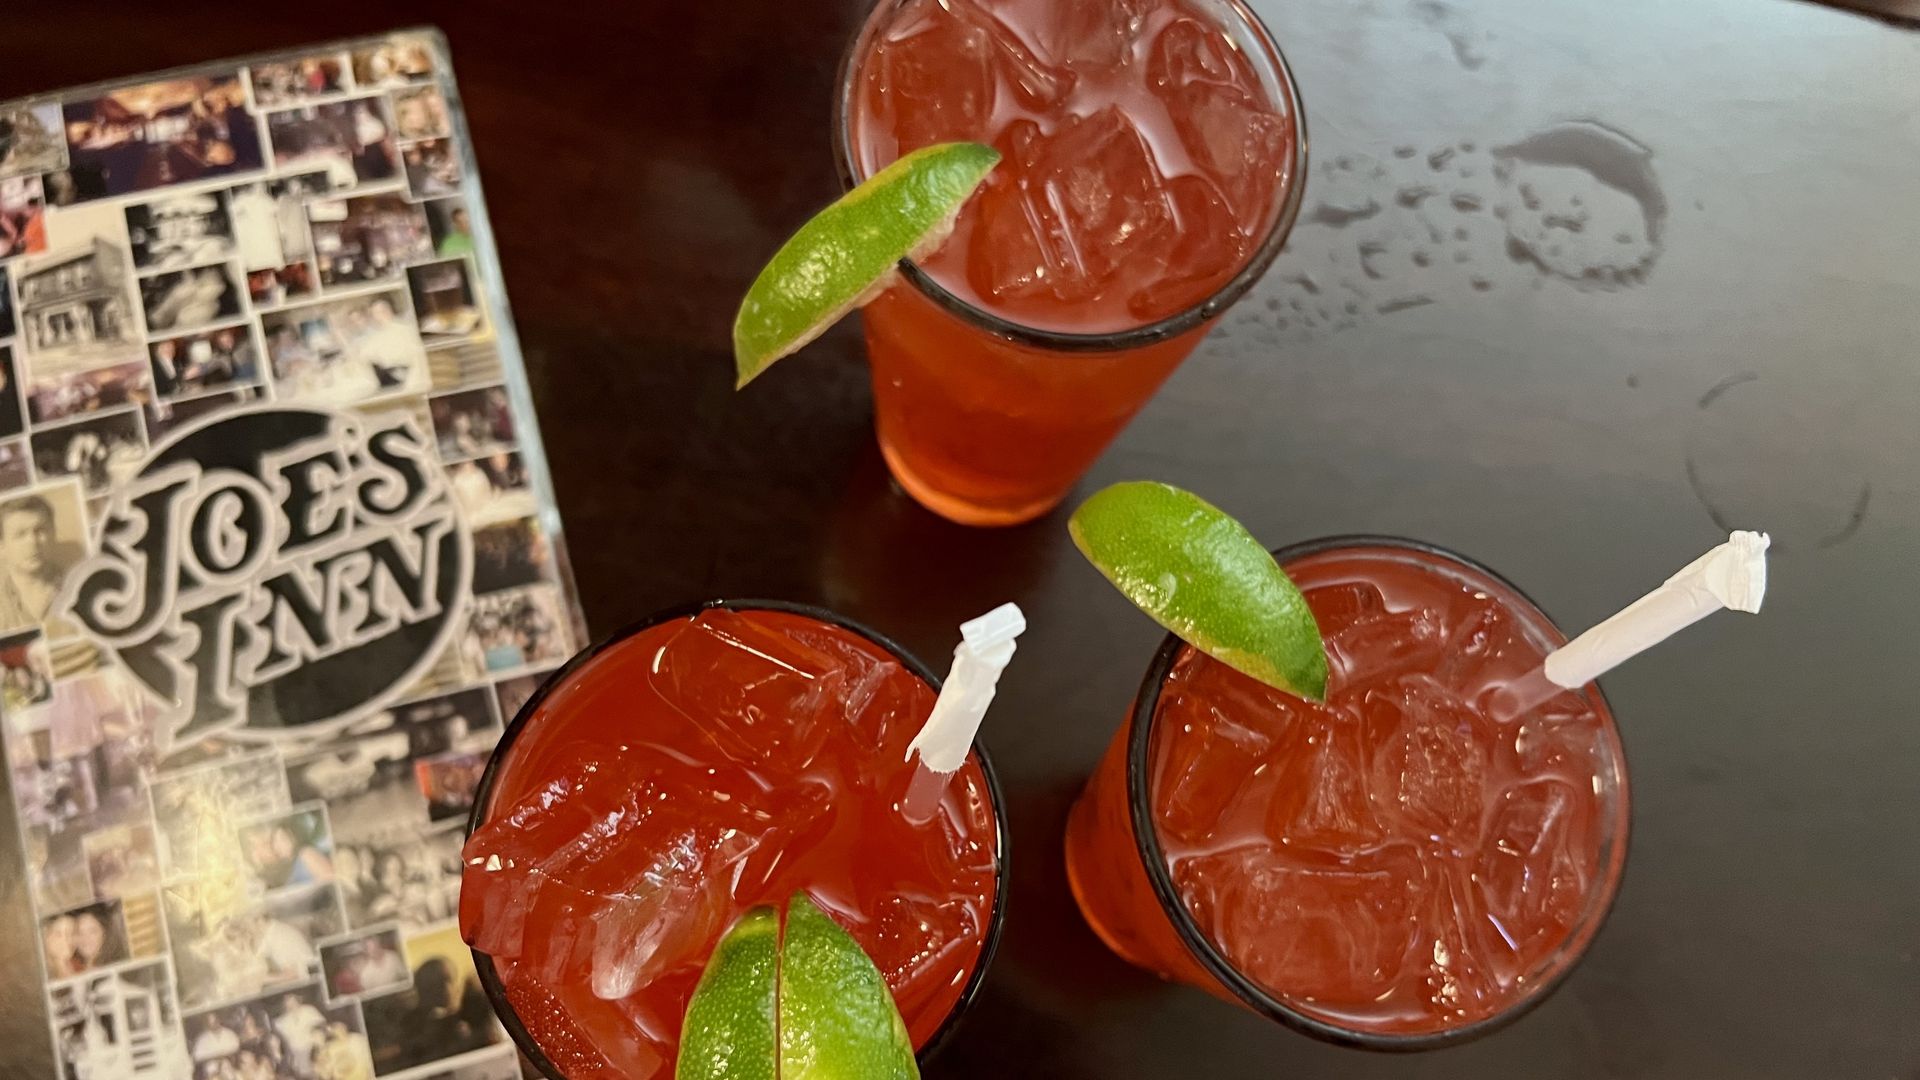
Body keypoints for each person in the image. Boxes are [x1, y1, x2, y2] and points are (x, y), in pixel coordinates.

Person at [0, 495, 72, 628]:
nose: (33, 542)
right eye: (20, 534)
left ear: (53, 535)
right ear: (2, 547)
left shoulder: (77, 586)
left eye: (40, 530)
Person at [272, 992, 327, 1080]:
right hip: (295, 1053)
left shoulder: (309, 1010)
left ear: (297, 998)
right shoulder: (280, 1022)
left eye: (292, 999)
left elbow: (322, 1027)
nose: (290, 1003)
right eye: (287, 1000)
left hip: (313, 1049)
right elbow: (281, 1043)